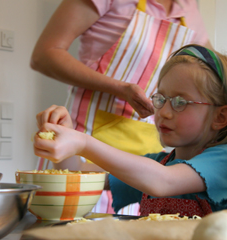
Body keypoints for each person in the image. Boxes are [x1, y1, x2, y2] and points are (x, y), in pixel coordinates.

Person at [31, 0, 213, 215]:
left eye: (180, 102)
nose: (162, 112)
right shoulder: (161, 164)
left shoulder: (211, 163)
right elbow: (77, 171)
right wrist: (74, 137)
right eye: (161, 98)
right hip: (91, 133)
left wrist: (81, 143)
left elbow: (162, 180)